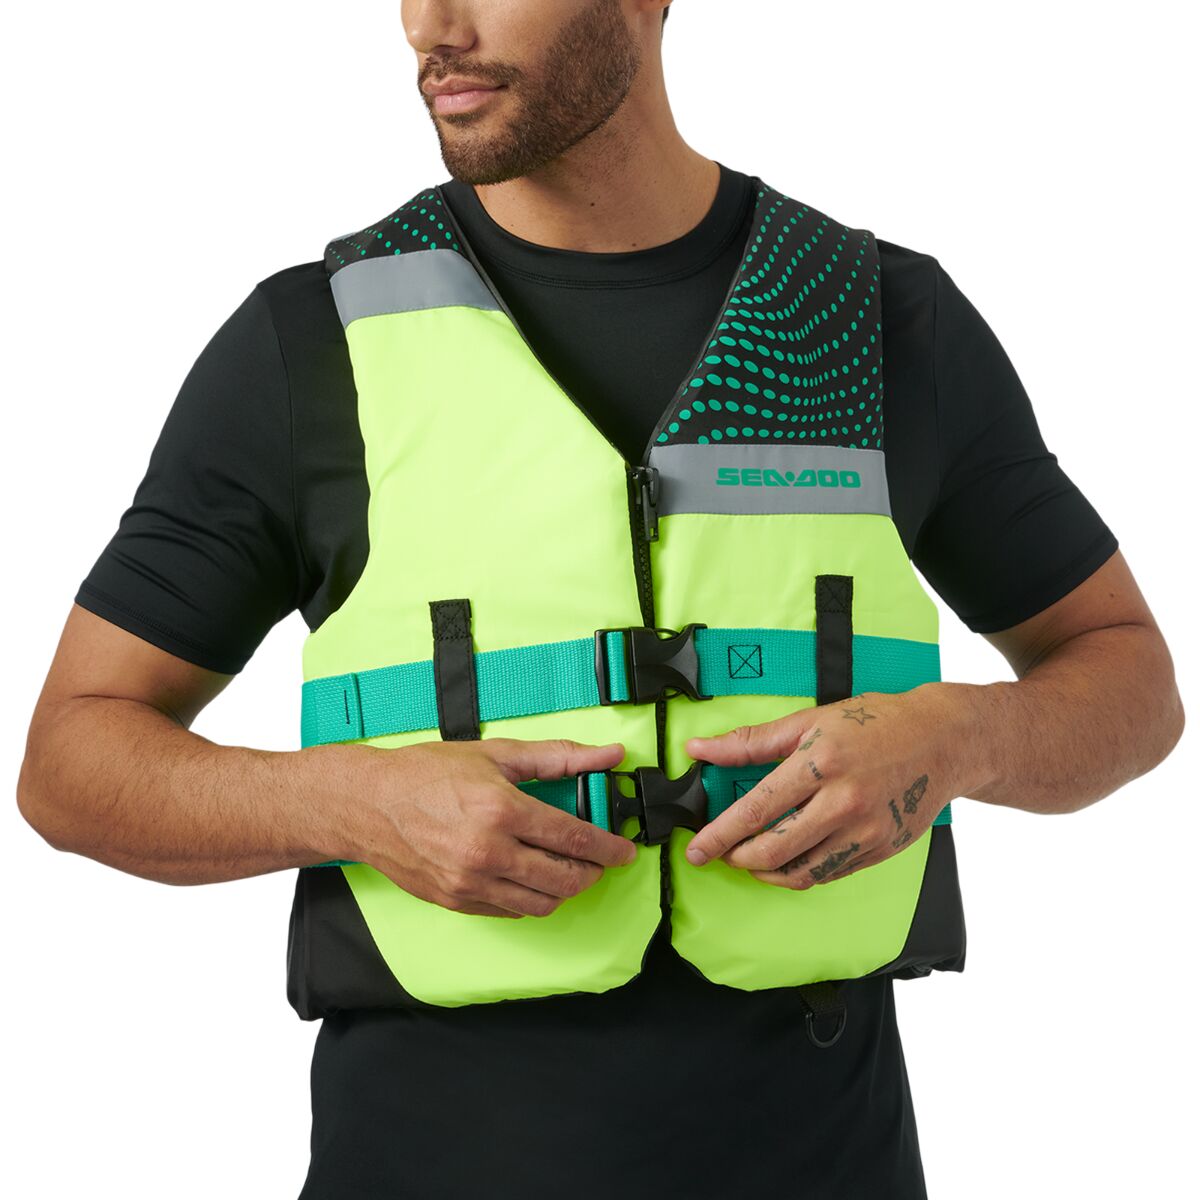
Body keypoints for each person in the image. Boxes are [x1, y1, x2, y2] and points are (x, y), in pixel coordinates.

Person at [16, 2, 1185, 1197]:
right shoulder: (315, 344)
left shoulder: (876, 321)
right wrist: (351, 805)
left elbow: (1131, 680)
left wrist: (963, 737)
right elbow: (69, 763)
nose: (432, 25)